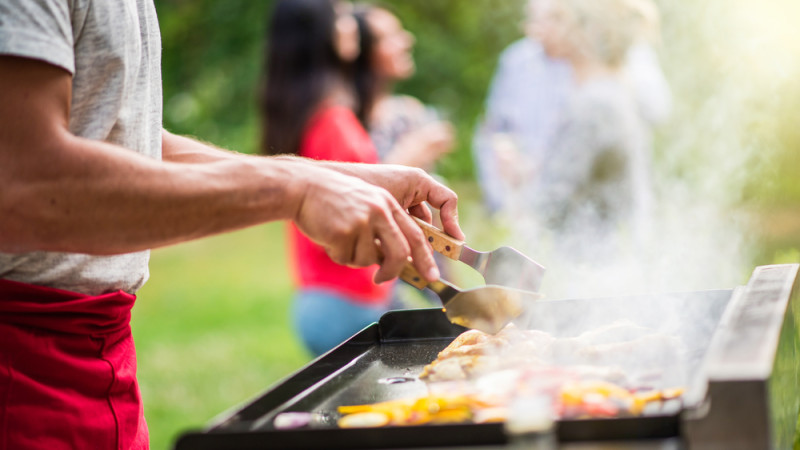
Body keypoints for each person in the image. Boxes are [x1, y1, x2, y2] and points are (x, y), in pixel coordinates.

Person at [0, 1, 463, 448]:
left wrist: (331, 178)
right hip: (22, 366)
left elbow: (132, 140)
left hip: (102, 357)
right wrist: (294, 190)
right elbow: (19, 184)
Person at [261, 0, 409, 356]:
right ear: (318, 32)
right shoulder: (332, 122)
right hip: (349, 303)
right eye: (341, 16)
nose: (351, 26)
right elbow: (349, 208)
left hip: (323, 297)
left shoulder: (307, 113)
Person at [473, 0, 671, 215]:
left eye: (557, 18)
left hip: (595, 246)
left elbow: (550, 207)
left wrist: (518, 187)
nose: (538, 28)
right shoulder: (598, 96)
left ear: (584, 31)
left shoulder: (595, 105)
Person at [352, 4, 455, 172]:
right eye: (390, 37)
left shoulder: (407, 112)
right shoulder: (345, 119)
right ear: (361, 50)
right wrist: (416, 149)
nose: (407, 41)